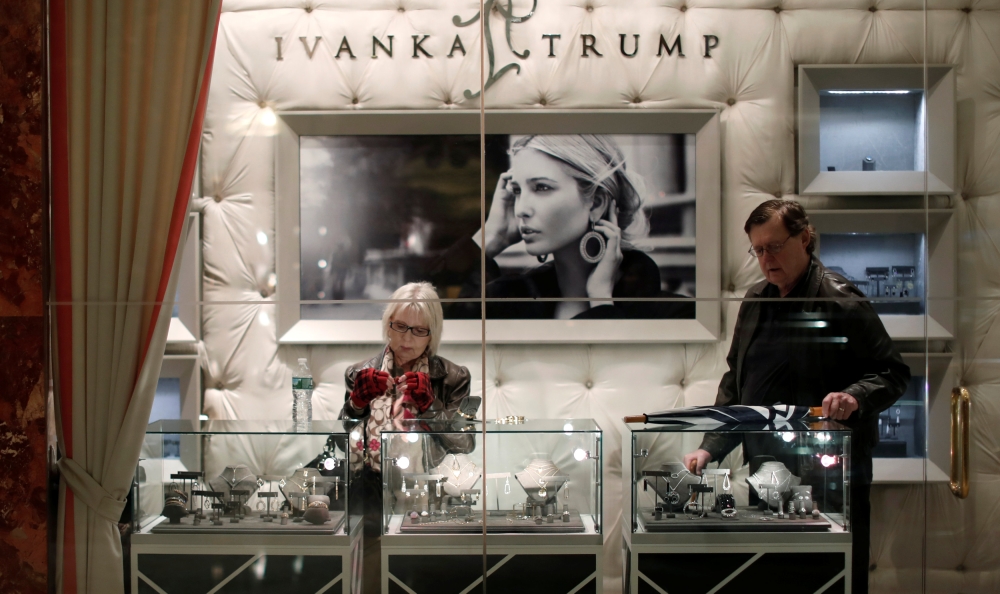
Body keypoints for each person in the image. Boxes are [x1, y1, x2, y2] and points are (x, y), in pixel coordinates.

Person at [682, 199, 909, 594]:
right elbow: (736, 383)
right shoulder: (755, 302)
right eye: (758, 250)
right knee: (772, 575)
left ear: (805, 238)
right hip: (767, 471)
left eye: (774, 246)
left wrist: (854, 396)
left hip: (829, 475)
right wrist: (710, 447)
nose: (766, 259)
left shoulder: (840, 299)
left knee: (826, 579)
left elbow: (892, 373)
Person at [467, 134, 693, 319]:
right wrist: (489, 239)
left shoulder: (675, 314)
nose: (520, 210)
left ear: (595, 202)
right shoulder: (506, 303)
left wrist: (601, 300)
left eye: (542, 187)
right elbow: (436, 325)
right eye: (517, 191)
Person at [339, 281, 471, 594]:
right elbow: (340, 439)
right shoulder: (359, 372)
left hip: (430, 491)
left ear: (432, 333)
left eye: (419, 330)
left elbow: (465, 444)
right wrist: (357, 403)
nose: (407, 338)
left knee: (419, 578)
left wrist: (431, 408)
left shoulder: (453, 377)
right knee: (369, 580)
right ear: (388, 326)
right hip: (367, 490)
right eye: (400, 327)